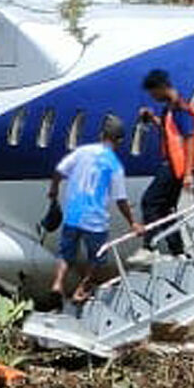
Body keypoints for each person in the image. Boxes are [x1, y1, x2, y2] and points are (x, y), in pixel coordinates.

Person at [46, 115, 144, 304]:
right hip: (95, 220)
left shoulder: (82, 152)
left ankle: (57, 284)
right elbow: (120, 200)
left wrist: (54, 189)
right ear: (119, 141)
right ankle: (81, 289)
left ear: (101, 135)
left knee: (66, 254)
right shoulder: (114, 165)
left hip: (73, 215)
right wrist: (133, 222)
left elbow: (59, 171)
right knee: (98, 258)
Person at [137, 69, 194, 255]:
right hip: (175, 165)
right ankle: (177, 250)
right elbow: (170, 132)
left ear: (161, 88)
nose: (153, 97)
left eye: (153, 93)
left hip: (176, 167)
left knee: (149, 202)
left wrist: (189, 173)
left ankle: (149, 246)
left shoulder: (179, 107)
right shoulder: (170, 108)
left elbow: (189, 138)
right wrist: (153, 119)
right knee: (166, 209)